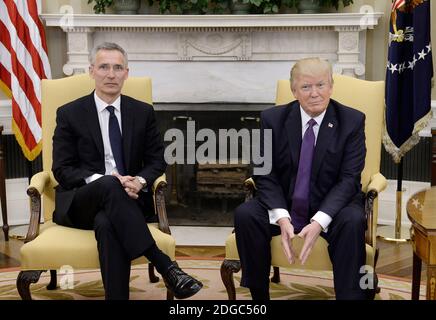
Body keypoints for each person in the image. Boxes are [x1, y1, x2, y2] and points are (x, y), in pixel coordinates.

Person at [52, 42, 202, 300]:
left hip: (129, 203)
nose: (111, 74)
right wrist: (105, 181)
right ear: (91, 71)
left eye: (118, 67)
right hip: (81, 202)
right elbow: (62, 169)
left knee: (107, 223)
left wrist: (141, 180)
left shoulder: (142, 112)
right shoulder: (70, 114)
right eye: (104, 67)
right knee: (110, 185)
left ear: (126, 73)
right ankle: (165, 265)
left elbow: (157, 160)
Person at [234, 57, 367, 300]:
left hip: (333, 209)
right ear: (294, 91)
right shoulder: (271, 119)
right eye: (306, 87)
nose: (315, 93)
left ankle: (351, 296)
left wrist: (319, 222)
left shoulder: (352, 121)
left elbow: (349, 180)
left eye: (321, 85)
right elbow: (264, 173)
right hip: (286, 204)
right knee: (246, 214)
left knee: (353, 219)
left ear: (331, 86)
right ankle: (258, 296)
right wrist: (282, 218)